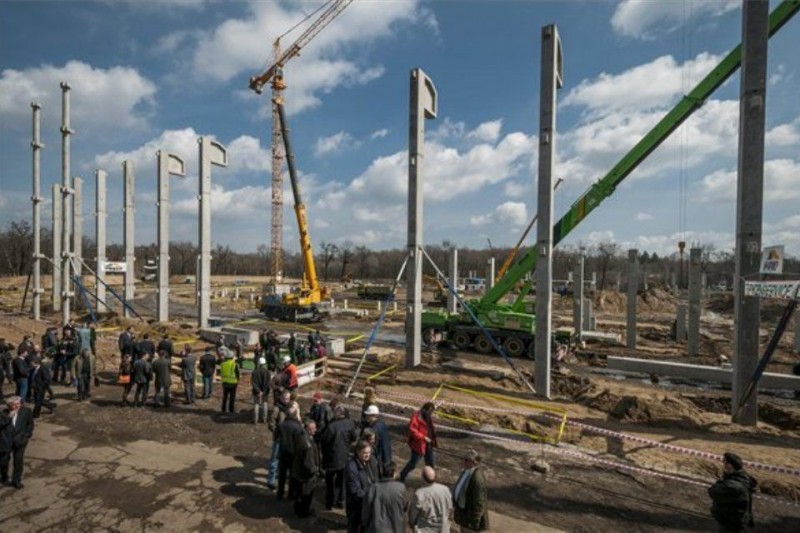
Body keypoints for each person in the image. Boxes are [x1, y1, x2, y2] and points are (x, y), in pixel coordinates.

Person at [708, 452, 757, 532]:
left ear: (730, 465)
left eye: (724, 461)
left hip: (728, 523)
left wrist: (723, 479)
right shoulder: (744, 479)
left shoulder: (732, 485)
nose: (723, 464)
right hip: (737, 521)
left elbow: (713, 492)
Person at [321, 404, 357, 510]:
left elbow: (324, 441)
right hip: (345, 457)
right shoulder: (350, 424)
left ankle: (329, 502)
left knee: (330, 481)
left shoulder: (332, 427)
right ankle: (341, 501)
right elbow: (353, 438)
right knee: (342, 481)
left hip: (331, 458)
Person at [363, 460, 408, 533]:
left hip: (377, 528)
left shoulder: (373, 488)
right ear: (394, 473)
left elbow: (366, 510)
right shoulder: (401, 488)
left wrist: (365, 523)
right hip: (396, 528)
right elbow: (405, 506)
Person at [0, 395, 34, 489]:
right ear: (9, 405)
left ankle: (16, 480)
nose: (17, 406)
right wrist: (9, 417)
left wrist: (27, 435)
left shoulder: (26, 411)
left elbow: (30, 424)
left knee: (18, 461)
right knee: (3, 461)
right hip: (6, 441)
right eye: (14, 405)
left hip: (20, 441)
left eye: (18, 404)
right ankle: (4, 477)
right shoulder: (3, 413)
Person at [346, 439, 379, 533]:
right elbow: (355, 491)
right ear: (358, 452)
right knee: (355, 527)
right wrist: (372, 498)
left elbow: (376, 478)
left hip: (369, 504)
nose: (367, 455)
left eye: (369, 452)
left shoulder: (372, 460)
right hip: (357, 505)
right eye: (364, 452)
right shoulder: (351, 467)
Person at [400, 402, 437, 482]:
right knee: (413, 464)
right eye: (430, 411)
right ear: (424, 409)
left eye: (432, 412)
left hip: (428, 444)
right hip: (418, 445)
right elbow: (412, 430)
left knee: (430, 463)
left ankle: (430, 479)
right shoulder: (416, 416)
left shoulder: (428, 416)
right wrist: (423, 437)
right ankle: (402, 475)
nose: (430, 413)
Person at [452, 449, 489, 532]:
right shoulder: (466, 471)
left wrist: (474, 522)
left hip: (470, 521)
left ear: (473, 462)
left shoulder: (477, 479)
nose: (463, 461)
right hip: (464, 515)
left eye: (466, 460)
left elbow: (479, 503)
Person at [292, 419, 323, 518]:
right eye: (313, 428)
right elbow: (309, 464)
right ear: (308, 429)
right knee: (306, 495)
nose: (315, 430)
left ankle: (297, 509)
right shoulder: (308, 445)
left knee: (298, 493)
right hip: (306, 475)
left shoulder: (300, 436)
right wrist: (317, 470)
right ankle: (304, 512)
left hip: (297, 471)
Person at [409, 466, 453, 533]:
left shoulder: (419, 494)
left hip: (425, 529)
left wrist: (413, 525)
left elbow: (413, 515)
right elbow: (450, 509)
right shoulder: (445, 489)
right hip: (443, 528)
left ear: (423, 478)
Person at [277, 401, 304, 500]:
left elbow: (276, 437)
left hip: (283, 452)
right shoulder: (298, 427)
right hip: (294, 454)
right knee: (292, 476)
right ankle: (290, 494)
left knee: (282, 475)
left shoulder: (281, 425)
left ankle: (280, 493)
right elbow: (302, 439)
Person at [267, 390, 291, 490]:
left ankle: (284, 476)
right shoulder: (276, 409)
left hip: (288, 439)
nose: (287, 400)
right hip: (279, 438)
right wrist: (277, 432)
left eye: (288, 399)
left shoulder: (290, 408)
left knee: (286, 459)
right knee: (275, 460)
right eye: (285, 398)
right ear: (281, 398)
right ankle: (271, 481)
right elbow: (271, 423)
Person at [363, 404, 392, 474]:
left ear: (372, 415)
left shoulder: (374, 429)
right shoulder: (381, 423)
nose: (366, 417)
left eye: (368, 415)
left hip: (380, 458)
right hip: (386, 455)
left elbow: (373, 446)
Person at [219, 349, 240, 414]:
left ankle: (223, 409)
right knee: (232, 397)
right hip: (233, 383)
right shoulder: (235, 364)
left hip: (225, 382)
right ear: (232, 357)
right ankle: (231, 409)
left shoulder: (222, 364)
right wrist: (238, 380)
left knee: (225, 396)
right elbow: (237, 374)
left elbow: (221, 373)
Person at [251, 357, 270, 424]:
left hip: (256, 392)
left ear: (258, 363)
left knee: (256, 404)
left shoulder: (254, 372)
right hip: (265, 392)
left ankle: (255, 420)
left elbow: (253, 383)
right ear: (264, 363)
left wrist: (258, 391)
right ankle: (264, 419)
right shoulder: (267, 372)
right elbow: (268, 383)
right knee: (265, 404)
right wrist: (263, 392)